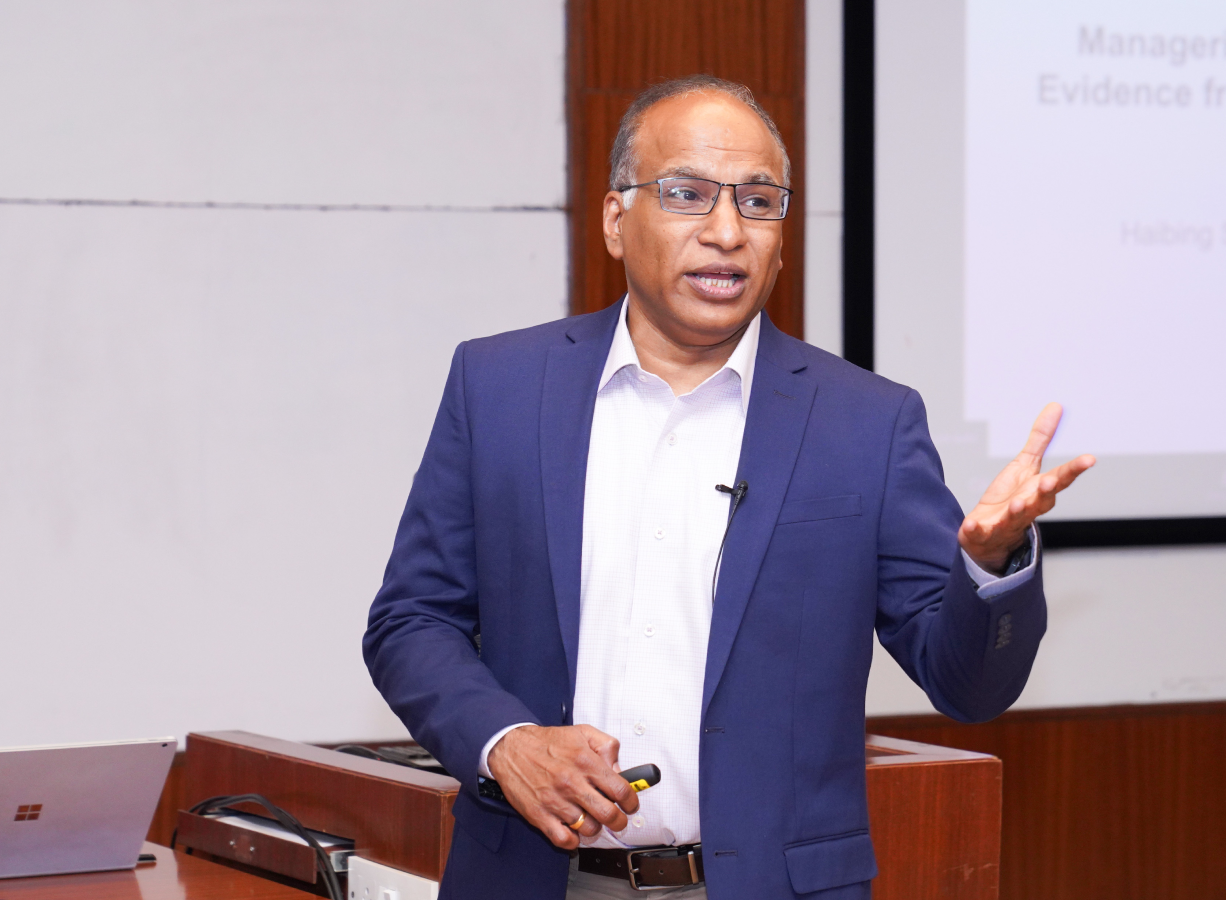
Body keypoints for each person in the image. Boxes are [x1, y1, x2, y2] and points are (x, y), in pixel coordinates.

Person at [363, 75, 1093, 900]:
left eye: (757, 202)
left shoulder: (867, 424)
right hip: (537, 876)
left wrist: (991, 565)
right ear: (615, 219)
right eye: (687, 194)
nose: (725, 232)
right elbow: (410, 621)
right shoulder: (497, 387)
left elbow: (968, 687)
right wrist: (507, 741)